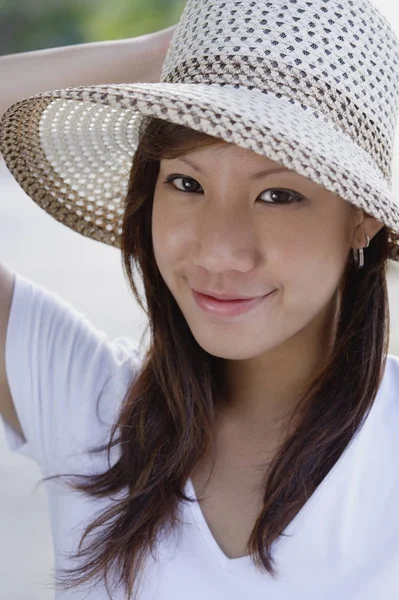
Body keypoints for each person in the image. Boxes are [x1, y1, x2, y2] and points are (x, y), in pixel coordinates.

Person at [1, 1, 399, 599]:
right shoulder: (87, 404)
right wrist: (159, 56)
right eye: (186, 183)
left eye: (279, 195)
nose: (218, 252)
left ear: (362, 219)